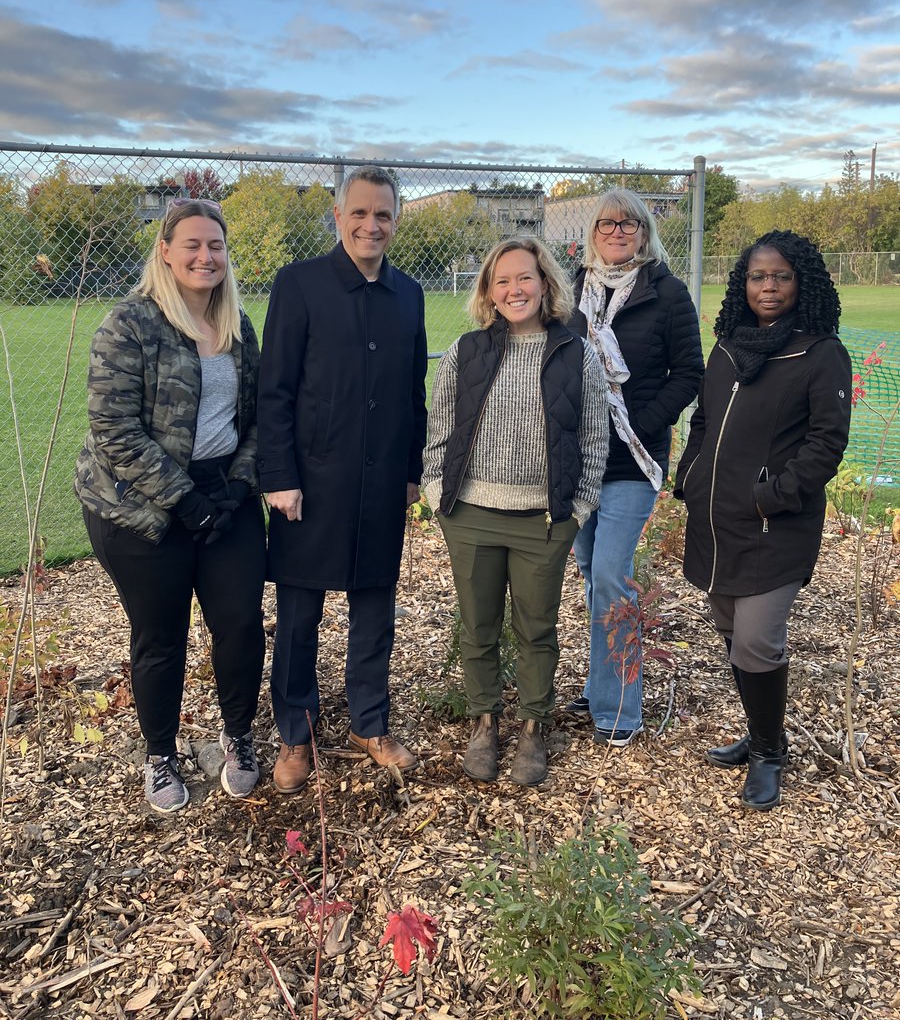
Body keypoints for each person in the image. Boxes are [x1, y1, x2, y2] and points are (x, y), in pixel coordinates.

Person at [75, 199, 266, 814]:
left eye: (215, 246)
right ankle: (160, 753)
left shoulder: (238, 326)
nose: (205, 256)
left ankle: (238, 736)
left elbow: (258, 419)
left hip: (222, 495)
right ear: (166, 250)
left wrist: (237, 487)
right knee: (160, 634)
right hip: (140, 505)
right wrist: (184, 500)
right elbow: (113, 428)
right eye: (192, 245)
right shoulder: (130, 324)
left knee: (238, 622)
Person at [257, 165, 427, 793]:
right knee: (300, 615)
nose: (370, 224)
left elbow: (414, 393)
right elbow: (273, 390)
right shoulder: (299, 285)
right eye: (359, 212)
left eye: (382, 214)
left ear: (395, 220)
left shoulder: (406, 295)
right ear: (338, 216)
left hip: (382, 481)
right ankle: (295, 735)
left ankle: (369, 722)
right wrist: (279, 475)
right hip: (310, 481)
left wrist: (411, 472)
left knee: (374, 607)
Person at [674, 230, 851, 811]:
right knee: (728, 623)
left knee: (756, 637)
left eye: (780, 276)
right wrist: (691, 474)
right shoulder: (728, 348)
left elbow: (828, 443)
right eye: (756, 276)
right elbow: (705, 420)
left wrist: (772, 495)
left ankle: (769, 754)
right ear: (742, 283)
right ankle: (760, 727)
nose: (768, 286)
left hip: (775, 522)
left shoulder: (821, 353)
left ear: (802, 282)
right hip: (718, 517)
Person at [422, 236, 608, 785]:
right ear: (488, 292)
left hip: (544, 521)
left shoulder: (576, 354)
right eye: (501, 281)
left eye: (524, 277)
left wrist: (578, 508)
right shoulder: (467, 351)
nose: (514, 289)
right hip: (472, 513)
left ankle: (532, 727)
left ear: (545, 283)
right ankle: (485, 722)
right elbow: (439, 431)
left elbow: (596, 438)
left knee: (537, 629)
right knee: (477, 627)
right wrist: (438, 495)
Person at [568, 190, 704, 746]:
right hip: (579, 457)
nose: (617, 230)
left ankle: (620, 706)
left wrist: (642, 422)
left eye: (629, 223)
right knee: (590, 572)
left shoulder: (667, 293)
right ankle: (602, 682)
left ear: (645, 232)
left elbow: (689, 372)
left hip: (633, 456)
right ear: (593, 232)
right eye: (607, 222)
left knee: (610, 574)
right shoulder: (573, 291)